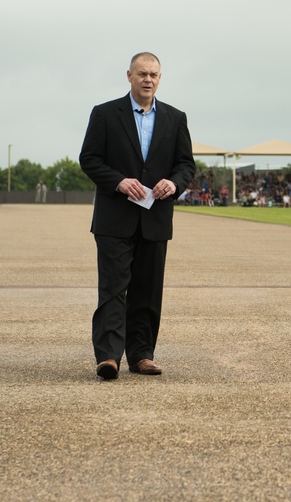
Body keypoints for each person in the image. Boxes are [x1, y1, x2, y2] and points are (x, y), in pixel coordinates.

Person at [79, 52, 196, 379]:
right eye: (142, 73)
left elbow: (186, 165)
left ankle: (142, 354)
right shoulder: (104, 114)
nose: (148, 79)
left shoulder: (175, 118)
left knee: (147, 290)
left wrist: (173, 183)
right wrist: (118, 181)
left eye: (154, 75)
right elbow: (89, 159)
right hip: (114, 218)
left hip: (155, 218)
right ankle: (109, 356)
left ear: (160, 78)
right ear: (129, 75)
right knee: (114, 289)